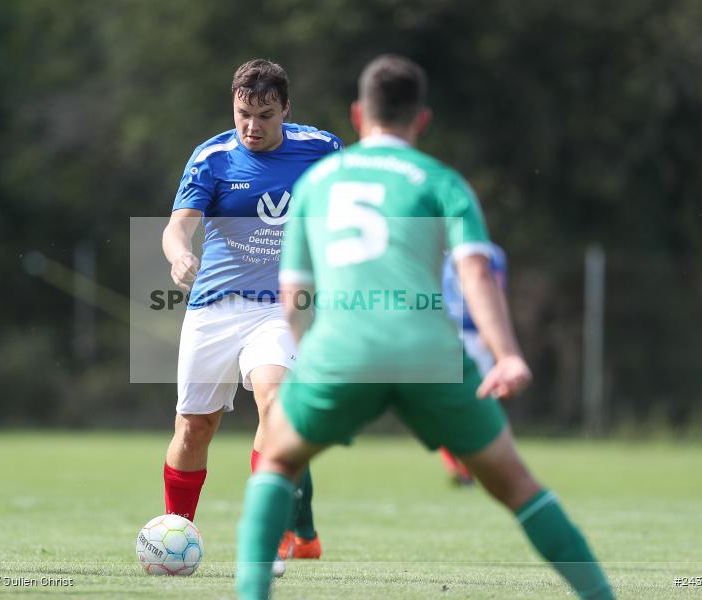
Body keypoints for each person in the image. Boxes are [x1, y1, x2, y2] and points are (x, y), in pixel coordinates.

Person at [237, 54, 614, 599]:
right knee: (518, 487)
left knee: (275, 462)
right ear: (421, 120)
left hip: (343, 351)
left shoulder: (317, 183)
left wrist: (307, 357)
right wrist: (506, 354)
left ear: (358, 115)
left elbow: (294, 294)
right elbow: (477, 272)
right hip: (428, 353)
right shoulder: (442, 181)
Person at [161, 59, 342, 567]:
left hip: (280, 310)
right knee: (194, 428)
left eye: (264, 115)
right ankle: (177, 536)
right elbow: (177, 228)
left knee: (275, 401)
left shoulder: (321, 150)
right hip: (213, 310)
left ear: (286, 108)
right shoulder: (211, 157)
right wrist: (180, 255)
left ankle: (266, 534)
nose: (251, 126)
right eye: (243, 113)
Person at [439, 243, 507, 485]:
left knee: (481, 400)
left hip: (477, 335)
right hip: (449, 332)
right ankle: (459, 467)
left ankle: (478, 462)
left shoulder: (492, 254)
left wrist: (489, 331)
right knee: (444, 404)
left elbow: (495, 289)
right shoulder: (442, 254)